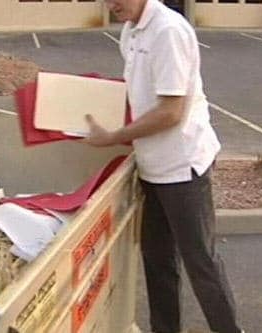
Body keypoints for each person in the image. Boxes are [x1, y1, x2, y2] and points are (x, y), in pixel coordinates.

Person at [83, 0, 244, 332]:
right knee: (157, 261)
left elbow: (171, 112)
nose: (111, 4)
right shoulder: (131, 30)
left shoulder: (168, 30)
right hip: (151, 164)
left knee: (200, 263)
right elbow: (141, 94)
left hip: (183, 166)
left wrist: (115, 135)